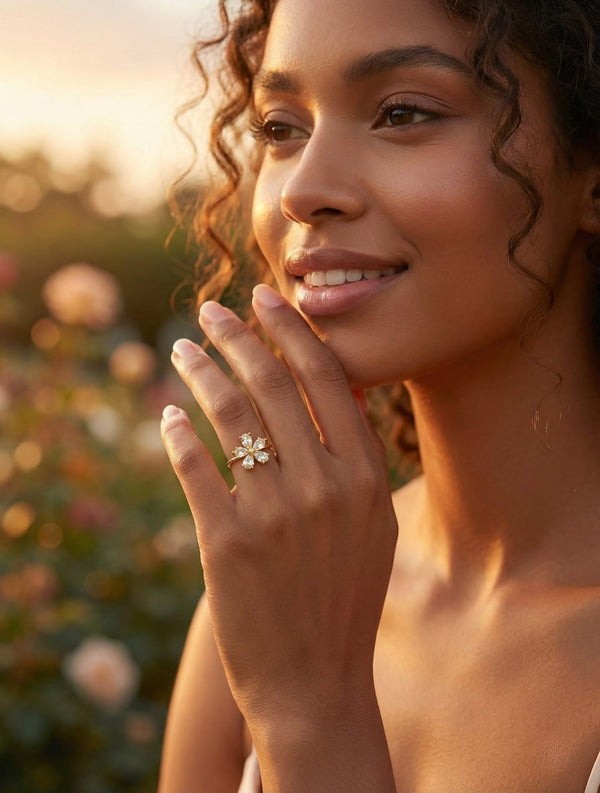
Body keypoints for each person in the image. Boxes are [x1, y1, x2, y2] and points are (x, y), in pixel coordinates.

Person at [158, 0, 600, 790]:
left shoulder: (295, 623)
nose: (302, 191)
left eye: (402, 112)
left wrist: (312, 718)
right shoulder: (285, 584)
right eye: (279, 128)